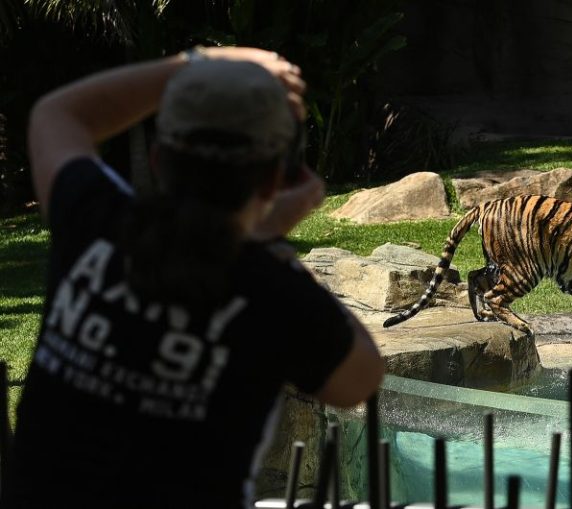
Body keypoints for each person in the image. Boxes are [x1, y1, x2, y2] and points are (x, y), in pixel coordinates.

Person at [2, 45, 385, 509]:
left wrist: (196, 63)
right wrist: (265, 244)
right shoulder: (273, 294)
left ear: (160, 159)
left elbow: (57, 113)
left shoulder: (97, 223)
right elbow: (360, 378)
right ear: (271, 182)